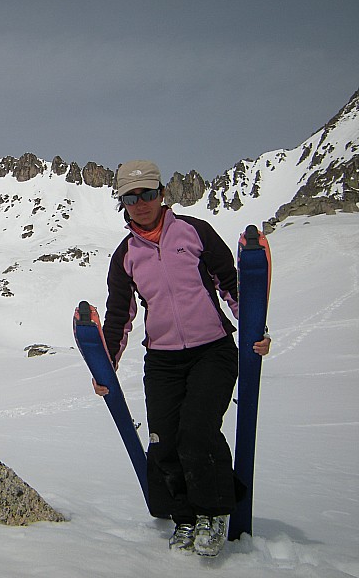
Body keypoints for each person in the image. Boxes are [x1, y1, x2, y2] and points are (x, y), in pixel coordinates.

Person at [98, 160, 271, 557]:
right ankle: (184, 517)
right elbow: (119, 316)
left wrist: (255, 333)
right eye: (131, 196)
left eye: (147, 193)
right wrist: (104, 365)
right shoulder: (125, 256)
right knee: (163, 442)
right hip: (162, 361)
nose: (140, 202)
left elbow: (233, 285)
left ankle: (213, 511)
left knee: (196, 432)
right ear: (122, 202)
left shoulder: (194, 232)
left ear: (162, 194)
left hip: (212, 350)